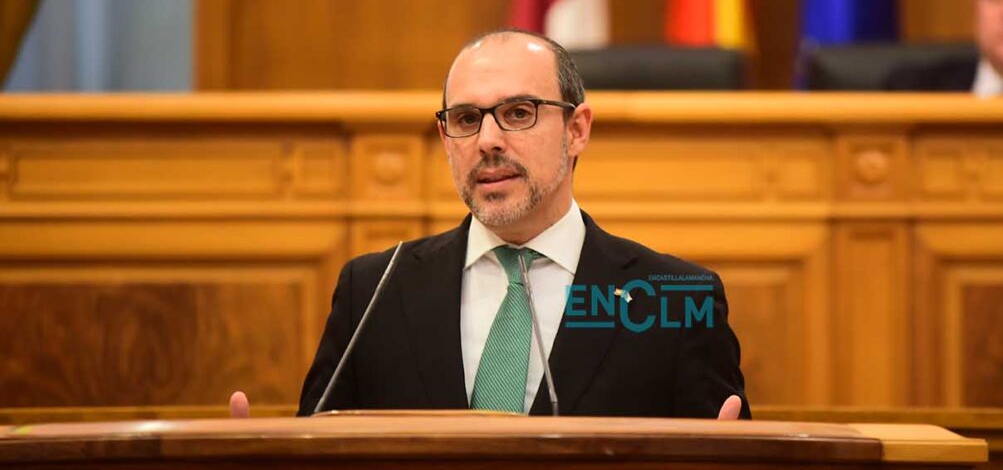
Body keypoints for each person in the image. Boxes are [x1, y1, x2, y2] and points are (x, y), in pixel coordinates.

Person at [230, 29, 749, 420]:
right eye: (465, 119)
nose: (487, 140)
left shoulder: (673, 300)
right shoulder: (374, 291)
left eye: (518, 113)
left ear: (577, 129)